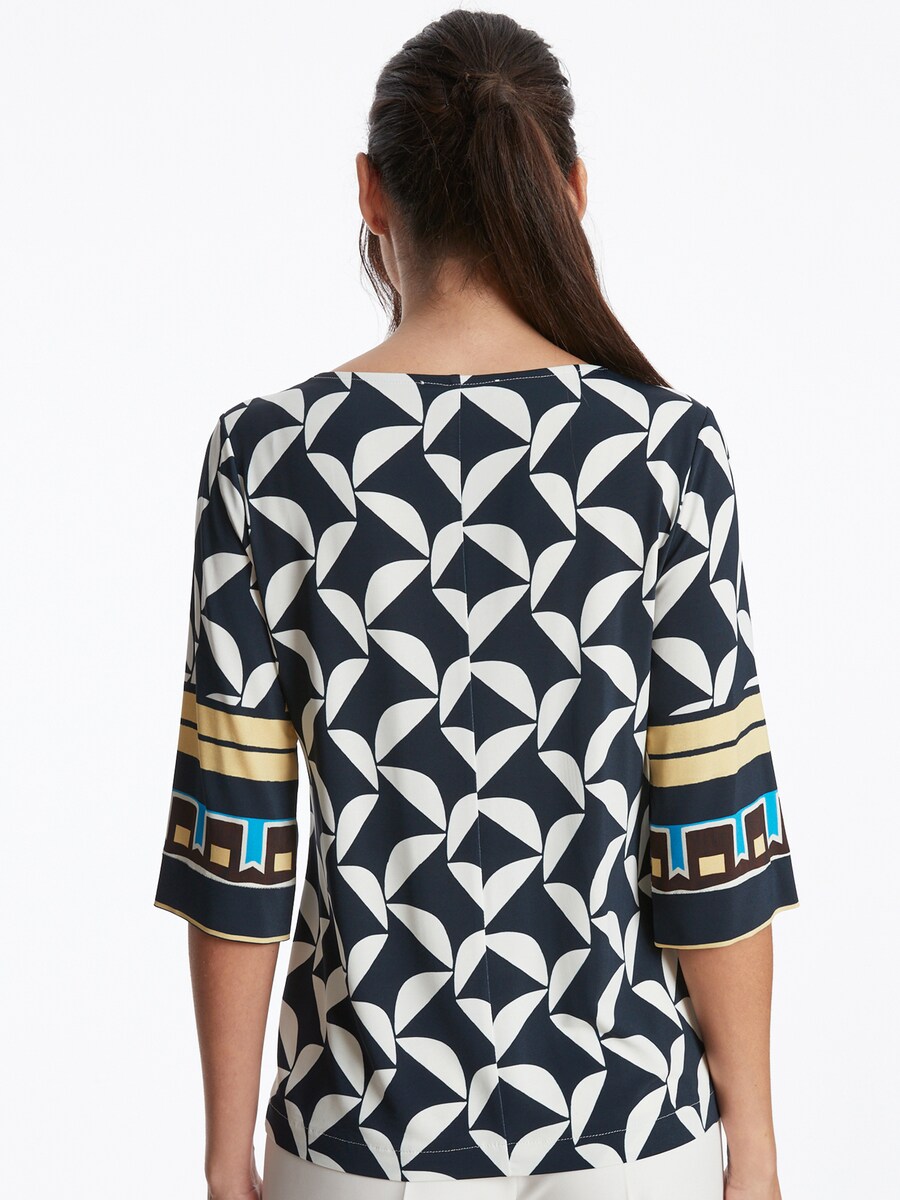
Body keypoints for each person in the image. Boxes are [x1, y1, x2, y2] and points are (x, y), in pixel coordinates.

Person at [152, 9, 800, 1200]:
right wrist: (752, 1144)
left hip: (361, 1130)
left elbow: (237, 842)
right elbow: (712, 830)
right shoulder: (664, 452)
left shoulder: (272, 454)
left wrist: (224, 1153)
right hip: (629, 1120)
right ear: (574, 192)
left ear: (371, 193)